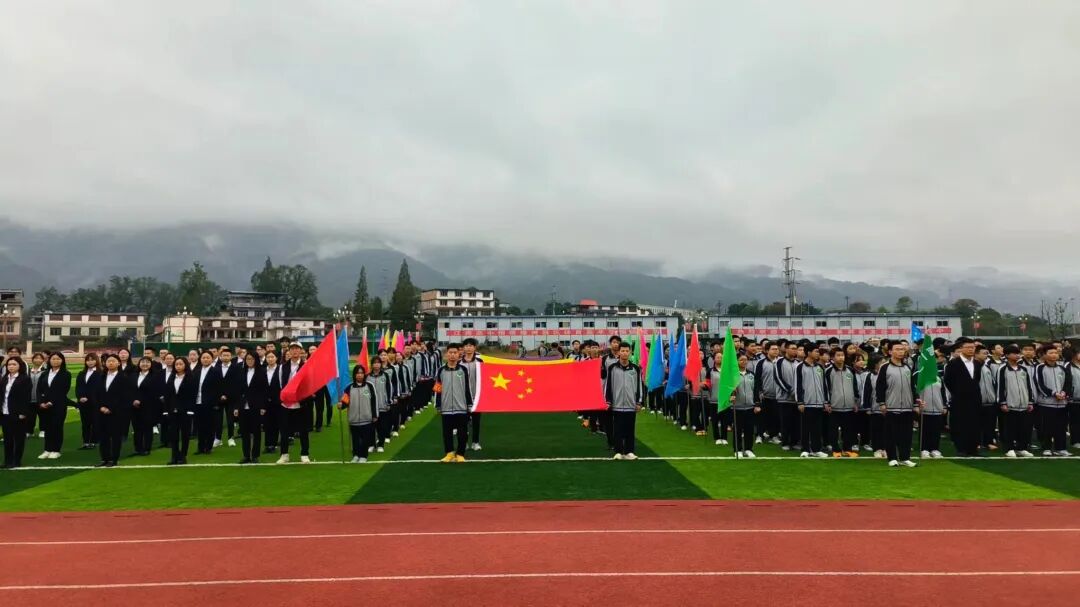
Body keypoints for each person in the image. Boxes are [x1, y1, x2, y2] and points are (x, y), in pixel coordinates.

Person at [876, 342, 918, 467]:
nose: (901, 351)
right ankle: (892, 458)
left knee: (906, 434)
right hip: (891, 406)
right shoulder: (885, 367)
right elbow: (880, 386)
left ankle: (905, 458)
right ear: (890, 352)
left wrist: (915, 403)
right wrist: (882, 403)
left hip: (907, 407)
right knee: (891, 434)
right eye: (897, 349)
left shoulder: (907, 367)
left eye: (902, 349)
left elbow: (912, 387)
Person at [943, 337, 982, 457]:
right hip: (959, 399)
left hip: (975, 398)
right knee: (960, 423)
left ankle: (973, 448)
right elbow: (948, 380)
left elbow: (977, 380)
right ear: (961, 348)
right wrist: (957, 392)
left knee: (974, 423)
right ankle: (961, 448)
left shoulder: (977, 363)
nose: (971, 349)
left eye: (973, 347)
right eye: (968, 347)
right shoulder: (953, 363)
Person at [94, 354, 134, 467]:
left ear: (118, 363)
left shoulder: (124, 378)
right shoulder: (101, 377)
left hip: (117, 412)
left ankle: (114, 459)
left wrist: (111, 408)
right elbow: (96, 394)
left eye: (113, 361)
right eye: (108, 361)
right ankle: (104, 458)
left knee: (116, 436)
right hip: (101, 411)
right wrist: (101, 407)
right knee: (103, 436)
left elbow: (125, 396)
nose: (110, 363)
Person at [435, 343, 472, 463]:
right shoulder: (441, 370)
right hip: (446, 407)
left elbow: (467, 388)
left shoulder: (463, 370)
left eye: (455, 353)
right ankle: (449, 453)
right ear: (447, 354)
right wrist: (438, 404)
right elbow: (437, 388)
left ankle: (460, 454)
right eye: (450, 352)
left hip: (461, 406)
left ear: (458, 354)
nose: (452, 355)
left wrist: (469, 404)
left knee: (462, 433)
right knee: (447, 433)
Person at [605, 343, 643, 460]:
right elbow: (608, 385)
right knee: (617, 429)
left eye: (627, 351)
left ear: (630, 353)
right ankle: (618, 451)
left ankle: (629, 451)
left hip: (631, 404)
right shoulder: (612, 368)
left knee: (630, 429)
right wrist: (608, 401)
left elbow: (639, 386)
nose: (625, 353)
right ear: (619, 352)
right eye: (623, 351)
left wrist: (638, 402)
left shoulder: (635, 368)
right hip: (616, 404)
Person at [278, 343, 312, 464]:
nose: (294, 351)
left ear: (301, 351)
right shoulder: (282, 367)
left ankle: (304, 454)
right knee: (284, 431)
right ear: (289, 351)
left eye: (297, 349)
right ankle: (284, 454)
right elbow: (281, 384)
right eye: (292, 349)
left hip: (301, 403)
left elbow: (308, 384)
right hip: (286, 404)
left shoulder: (306, 366)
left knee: (303, 431)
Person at [1033, 345, 1070, 456]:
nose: (1054, 355)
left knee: (1061, 427)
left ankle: (1061, 448)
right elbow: (1039, 384)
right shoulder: (1039, 367)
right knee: (1046, 427)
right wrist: (1053, 393)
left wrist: (1064, 392)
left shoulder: (1062, 368)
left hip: (1062, 403)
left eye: (1055, 353)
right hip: (1046, 403)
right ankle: (1046, 448)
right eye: (1051, 353)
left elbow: (1068, 382)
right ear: (1044, 355)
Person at [998, 345, 1035, 458]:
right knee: (1010, 428)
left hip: (1023, 404)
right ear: (1007, 355)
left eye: (1018, 353)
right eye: (1014, 353)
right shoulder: (1003, 369)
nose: (1017, 355)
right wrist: (1002, 402)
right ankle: (1009, 448)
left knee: (1023, 428)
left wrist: (1030, 401)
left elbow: (1028, 386)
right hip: (1010, 404)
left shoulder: (1023, 369)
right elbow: (1000, 386)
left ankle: (1022, 448)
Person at [35, 352, 71, 459]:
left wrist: (52, 402)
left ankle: (56, 450)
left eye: (58, 359)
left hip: (58, 405)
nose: (55, 361)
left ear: (62, 360)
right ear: (49, 360)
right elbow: (39, 389)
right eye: (53, 359)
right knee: (47, 428)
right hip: (44, 406)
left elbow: (63, 391)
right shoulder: (44, 374)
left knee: (57, 427)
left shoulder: (66, 374)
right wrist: (41, 402)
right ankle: (47, 449)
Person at [824, 349, 859, 458]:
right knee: (833, 430)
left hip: (849, 405)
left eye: (842, 355)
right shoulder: (828, 371)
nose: (841, 357)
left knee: (848, 430)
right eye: (838, 355)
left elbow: (855, 386)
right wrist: (827, 403)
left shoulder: (850, 370)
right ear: (832, 357)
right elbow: (825, 388)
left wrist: (855, 401)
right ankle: (836, 449)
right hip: (834, 406)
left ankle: (847, 449)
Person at [235, 352, 268, 464]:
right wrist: (236, 407)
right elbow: (238, 391)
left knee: (256, 432)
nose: (250, 361)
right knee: (244, 433)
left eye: (252, 359)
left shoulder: (262, 372)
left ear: (256, 360)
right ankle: (246, 455)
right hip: (243, 406)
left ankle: (255, 455)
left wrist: (263, 406)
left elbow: (264, 390)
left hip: (256, 405)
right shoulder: (241, 372)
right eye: (248, 359)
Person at [341, 365, 378, 463]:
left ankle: (363, 456)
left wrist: (375, 415)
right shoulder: (349, 387)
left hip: (367, 418)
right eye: (358, 373)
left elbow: (374, 401)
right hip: (353, 419)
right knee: (355, 439)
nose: (360, 375)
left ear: (364, 374)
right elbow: (345, 401)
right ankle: (356, 455)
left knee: (365, 439)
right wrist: (341, 405)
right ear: (354, 375)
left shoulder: (369, 386)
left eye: (361, 373)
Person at [795, 348, 827, 458]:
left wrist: (826, 401)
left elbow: (824, 385)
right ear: (808, 353)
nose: (818, 354)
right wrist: (800, 402)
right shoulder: (800, 367)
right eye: (816, 351)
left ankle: (816, 449)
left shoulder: (820, 367)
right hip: (806, 402)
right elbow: (797, 385)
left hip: (819, 402)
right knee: (805, 427)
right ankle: (805, 449)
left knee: (817, 428)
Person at [164, 358, 196, 465]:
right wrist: (166, 410)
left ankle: (183, 456)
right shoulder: (172, 378)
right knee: (173, 435)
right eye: (176, 364)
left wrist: (190, 410)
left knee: (185, 435)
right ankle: (174, 456)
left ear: (185, 365)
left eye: (180, 364)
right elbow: (168, 395)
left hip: (186, 411)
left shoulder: (191, 378)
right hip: (173, 410)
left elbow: (193, 395)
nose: (178, 366)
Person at [913, 356, 947, 459]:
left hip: (937, 407)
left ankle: (934, 449)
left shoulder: (937, 376)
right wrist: (916, 404)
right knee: (925, 429)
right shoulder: (917, 375)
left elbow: (943, 392)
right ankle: (924, 449)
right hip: (924, 407)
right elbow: (914, 391)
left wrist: (944, 405)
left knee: (936, 430)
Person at [1, 357, 31, 468]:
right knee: (7, 439)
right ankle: (7, 461)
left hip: (18, 413)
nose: (11, 366)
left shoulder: (24, 379)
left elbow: (26, 397)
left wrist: (23, 412)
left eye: (14, 364)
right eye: (9, 365)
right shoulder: (5, 378)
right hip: (5, 413)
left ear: (19, 366)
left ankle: (17, 460)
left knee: (18, 439)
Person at [730, 353, 760, 459]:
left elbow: (755, 390)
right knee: (737, 430)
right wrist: (730, 396)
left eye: (745, 360)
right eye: (741, 360)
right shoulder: (732, 375)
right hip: (737, 407)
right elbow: (727, 389)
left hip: (750, 406)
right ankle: (737, 449)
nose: (744, 362)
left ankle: (748, 449)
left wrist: (757, 404)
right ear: (737, 361)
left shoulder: (751, 374)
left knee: (749, 430)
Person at [774, 342, 801, 451]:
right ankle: (785, 443)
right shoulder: (779, 362)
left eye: (796, 349)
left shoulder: (798, 363)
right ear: (786, 349)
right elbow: (778, 378)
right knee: (785, 422)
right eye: (792, 348)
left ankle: (794, 442)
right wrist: (790, 390)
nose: (795, 350)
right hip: (784, 398)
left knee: (796, 422)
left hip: (796, 399)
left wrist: (798, 393)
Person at [192, 351, 220, 454]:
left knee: (210, 426)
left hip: (210, 403)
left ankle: (208, 447)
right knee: (200, 426)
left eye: (208, 357)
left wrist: (216, 403)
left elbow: (218, 388)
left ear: (212, 359)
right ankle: (200, 447)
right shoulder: (196, 371)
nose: (205, 359)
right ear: (200, 359)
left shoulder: (216, 371)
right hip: (197, 402)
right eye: (203, 357)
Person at [754, 343, 782, 445]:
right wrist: (759, 393)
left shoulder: (780, 362)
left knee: (775, 417)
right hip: (764, 395)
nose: (776, 351)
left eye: (777, 349)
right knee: (762, 417)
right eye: (773, 349)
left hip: (778, 396)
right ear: (767, 351)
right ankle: (759, 435)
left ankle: (773, 435)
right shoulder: (761, 363)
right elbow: (757, 380)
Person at [131, 357, 160, 456]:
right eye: (142, 362)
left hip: (148, 406)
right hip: (134, 407)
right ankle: (138, 448)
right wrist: (133, 400)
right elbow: (129, 390)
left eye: (147, 362)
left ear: (151, 364)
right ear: (139, 364)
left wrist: (140, 400)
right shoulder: (133, 375)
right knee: (137, 428)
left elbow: (154, 392)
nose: (145, 364)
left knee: (147, 428)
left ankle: (147, 448)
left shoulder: (155, 376)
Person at [216, 346, 243, 448]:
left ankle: (231, 438)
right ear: (220, 356)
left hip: (231, 398)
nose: (226, 357)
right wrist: (220, 395)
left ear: (231, 356)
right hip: (218, 398)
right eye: (224, 355)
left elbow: (237, 384)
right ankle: (218, 439)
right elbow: (215, 384)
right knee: (218, 420)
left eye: (227, 355)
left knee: (230, 419)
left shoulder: (236, 368)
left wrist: (227, 395)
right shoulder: (216, 368)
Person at [460, 338, 484, 450]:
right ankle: (464, 442)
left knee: (476, 422)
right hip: (462, 398)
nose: (468, 348)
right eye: (466, 346)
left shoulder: (480, 362)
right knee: (463, 422)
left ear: (475, 348)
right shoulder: (459, 363)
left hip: (476, 397)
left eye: (471, 346)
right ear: (463, 348)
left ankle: (475, 442)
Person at [75, 353, 100, 450]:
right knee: (85, 423)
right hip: (83, 403)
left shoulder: (100, 373)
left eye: (92, 360)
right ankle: (85, 442)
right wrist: (80, 397)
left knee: (95, 422)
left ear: (96, 360)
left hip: (95, 402)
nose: (90, 362)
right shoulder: (81, 374)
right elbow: (78, 387)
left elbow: (98, 389)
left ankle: (94, 441)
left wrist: (89, 397)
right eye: (88, 360)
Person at [368, 357, 393, 453]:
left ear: (380, 364)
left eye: (378, 363)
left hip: (383, 405)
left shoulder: (385, 375)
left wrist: (389, 401)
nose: (376, 365)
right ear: (372, 365)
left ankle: (381, 444)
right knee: (371, 427)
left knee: (381, 426)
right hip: (371, 407)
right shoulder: (367, 377)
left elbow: (389, 388)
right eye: (374, 363)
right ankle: (371, 444)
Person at [261, 350, 283, 454]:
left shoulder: (280, 370)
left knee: (275, 423)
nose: (270, 359)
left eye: (272, 357)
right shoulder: (262, 370)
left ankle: (273, 444)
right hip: (265, 401)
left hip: (277, 400)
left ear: (276, 358)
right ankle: (267, 445)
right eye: (268, 357)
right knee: (267, 423)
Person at [26, 352, 46, 439]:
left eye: (40, 358)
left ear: (43, 360)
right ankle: (29, 431)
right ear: (32, 360)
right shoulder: (28, 371)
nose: (38, 360)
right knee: (30, 416)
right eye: (36, 358)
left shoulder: (45, 371)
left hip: (41, 398)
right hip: (29, 397)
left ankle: (43, 430)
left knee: (43, 416)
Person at [1067, 347, 1080, 449]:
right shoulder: (1068, 366)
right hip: (1074, 399)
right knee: (1075, 421)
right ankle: (1075, 441)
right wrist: (1069, 394)